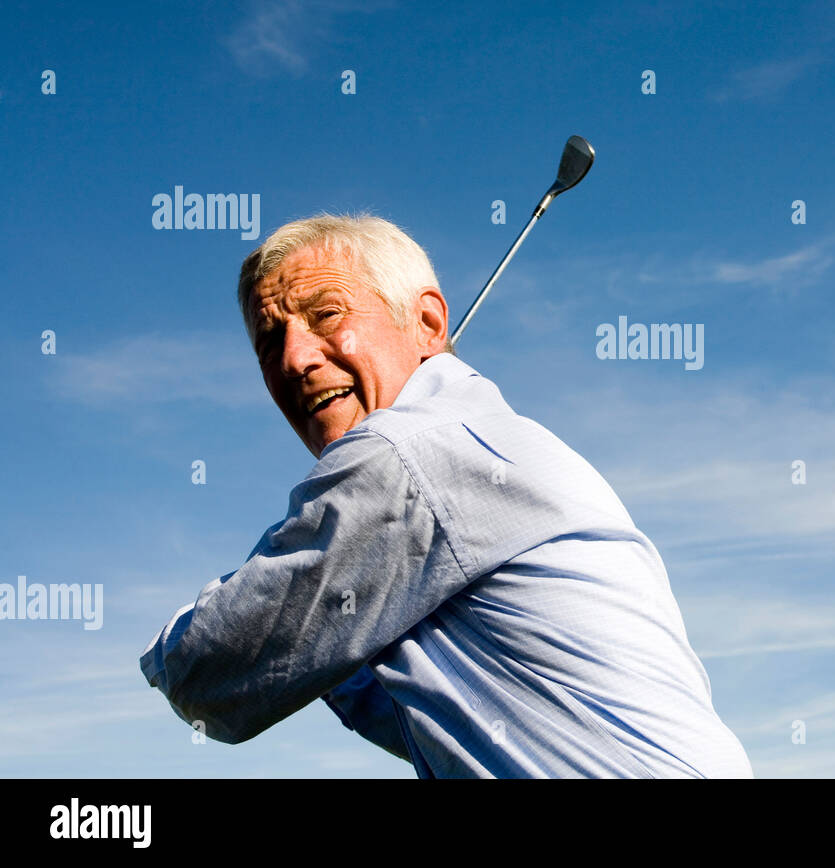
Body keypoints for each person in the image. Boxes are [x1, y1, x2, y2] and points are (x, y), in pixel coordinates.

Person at [139, 213, 753, 779]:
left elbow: (207, 677)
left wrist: (167, 648)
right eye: (269, 342)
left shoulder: (407, 449)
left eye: (326, 314)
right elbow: (430, 719)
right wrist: (316, 613)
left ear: (428, 323)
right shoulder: (494, 445)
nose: (295, 358)